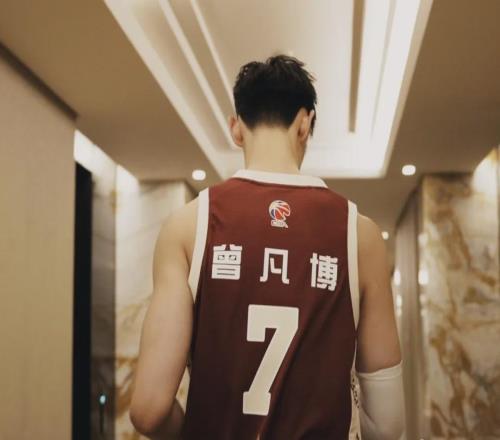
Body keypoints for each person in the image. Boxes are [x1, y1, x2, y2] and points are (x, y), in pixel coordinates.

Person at [129, 54, 405, 439]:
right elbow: (388, 426)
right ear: (305, 124)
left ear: (236, 128)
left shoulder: (188, 226)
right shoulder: (359, 234)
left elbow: (148, 410)